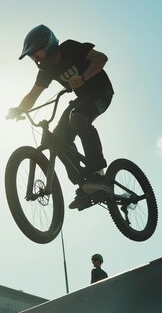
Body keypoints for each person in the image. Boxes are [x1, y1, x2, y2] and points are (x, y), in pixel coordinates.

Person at [7, 24, 114, 210]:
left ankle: (99, 175)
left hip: (101, 92)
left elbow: (101, 58)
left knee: (78, 118)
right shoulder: (45, 71)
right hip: (81, 100)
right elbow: (33, 95)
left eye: (36, 54)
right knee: (58, 138)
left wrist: (84, 77)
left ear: (48, 46)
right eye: (32, 57)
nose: (35, 59)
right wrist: (19, 109)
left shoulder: (70, 48)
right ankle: (84, 184)